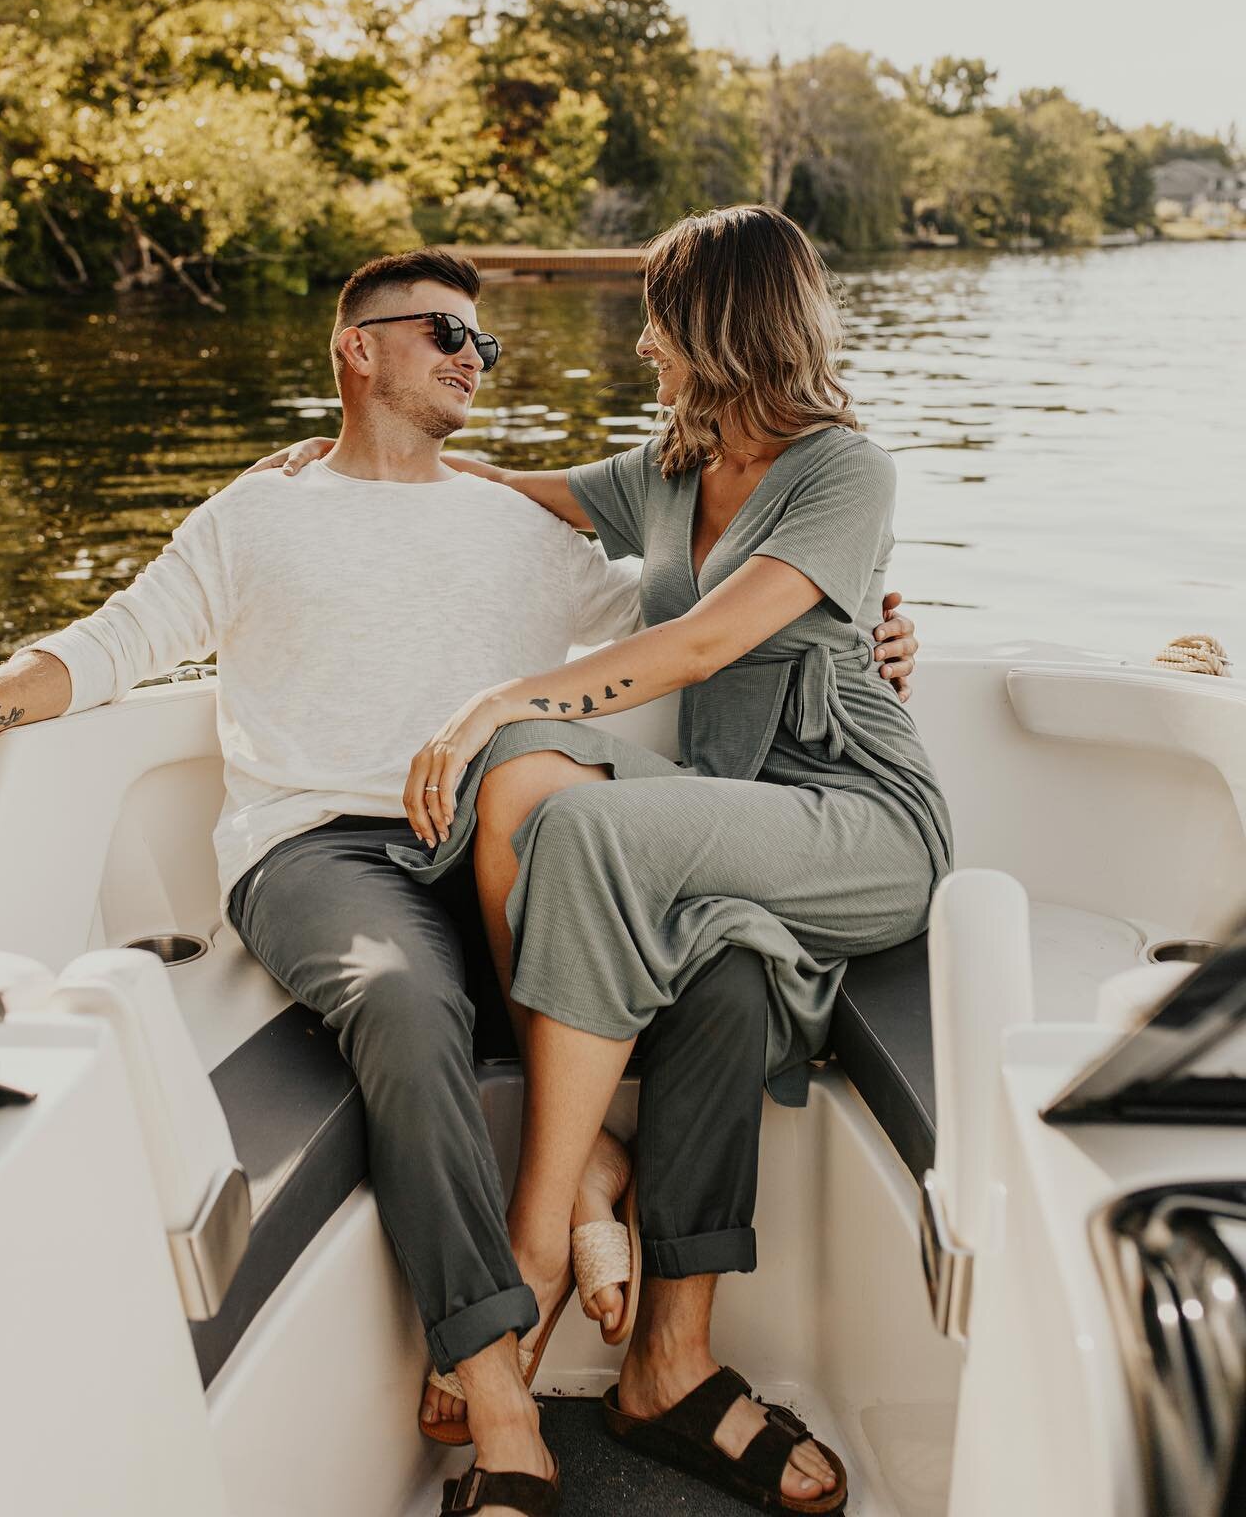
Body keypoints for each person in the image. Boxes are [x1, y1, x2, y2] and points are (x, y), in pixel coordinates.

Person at [0, 245, 919, 1517]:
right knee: (402, 1002)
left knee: (723, 974)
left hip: (497, 843)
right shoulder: (258, 512)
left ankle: (670, 1359)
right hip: (324, 848)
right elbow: (113, 642)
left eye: (483, 344)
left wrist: (870, 626)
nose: (471, 358)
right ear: (358, 348)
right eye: (444, 332)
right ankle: (501, 1398)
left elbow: (692, 626)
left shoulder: (516, 525)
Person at [387, 206, 952, 1514]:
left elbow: (700, 648)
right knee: (527, 774)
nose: (643, 339)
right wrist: (359, 450)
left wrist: (491, 694)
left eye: (659, 312)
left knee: (551, 780)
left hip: (858, 817)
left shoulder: (843, 471)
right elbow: (507, 497)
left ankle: (531, 1256)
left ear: (716, 322)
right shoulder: (663, 470)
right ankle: (638, 1306)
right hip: (723, 807)